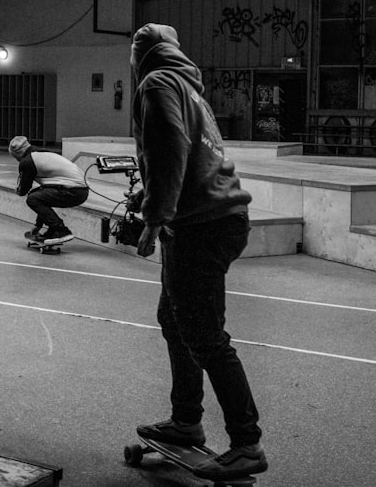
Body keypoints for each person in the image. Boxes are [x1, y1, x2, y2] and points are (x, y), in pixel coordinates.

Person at [128, 23, 267, 482]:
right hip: (211, 219)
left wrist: (153, 218)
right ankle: (186, 420)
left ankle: (246, 444)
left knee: (205, 334)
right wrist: (151, 201)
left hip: (202, 225)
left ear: (140, 55)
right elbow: (190, 156)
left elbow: (170, 149)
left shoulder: (157, 82)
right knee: (175, 319)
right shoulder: (190, 88)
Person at [8, 136, 89, 244]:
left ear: (17, 154)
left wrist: (18, 185)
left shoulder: (27, 161)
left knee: (32, 198)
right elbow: (43, 197)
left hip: (73, 191)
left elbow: (22, 191)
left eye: (15, 157)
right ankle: (53, 230)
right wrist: (38, 225)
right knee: (39, 195)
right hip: (80, 190)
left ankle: (61, 230)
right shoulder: (42, 153)